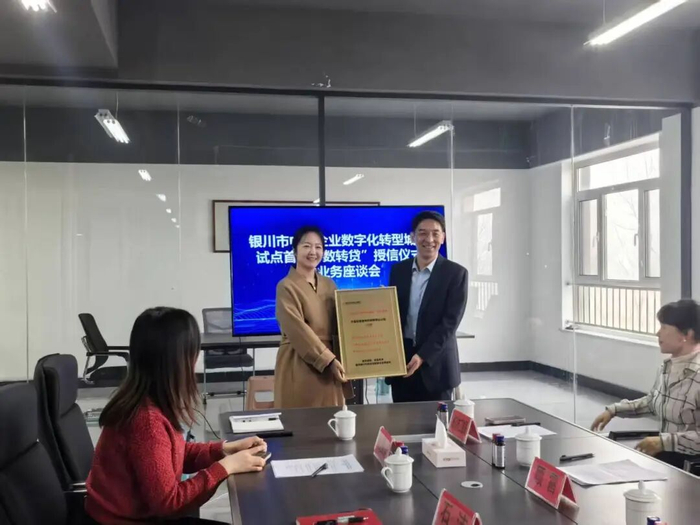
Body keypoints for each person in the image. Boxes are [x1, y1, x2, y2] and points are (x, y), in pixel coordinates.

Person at [86, 307, 267, 525]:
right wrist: (226, 467)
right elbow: (169, 504)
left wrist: (223, 450)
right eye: (192, 354)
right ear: (177, 361)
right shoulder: (147, 421)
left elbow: (173, 453)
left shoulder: (145, 401)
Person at [591, 299, 700, 468]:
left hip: (690, 467)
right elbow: (653, 402)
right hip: (668, 458)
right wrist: (615, 410)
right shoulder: (667, 367)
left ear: (687, 335)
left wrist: (663, 442)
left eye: (664, 327)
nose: (658, 333)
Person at [387, 211, 469, 402]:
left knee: (437, 420)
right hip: (402, 362)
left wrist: (422, 355)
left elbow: (450, 323)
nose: (429, 239)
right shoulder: (398, 270)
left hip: (437, 365)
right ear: (413, 237)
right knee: (401, 418)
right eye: (422, 233)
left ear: (443, 237)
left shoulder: (456, 274)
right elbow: (393, 314)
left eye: (435, 233)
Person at [274, 225, 352, 408]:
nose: (313, 252)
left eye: (318, 247)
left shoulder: (329, 284)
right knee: (300, 418)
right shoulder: (286, 286)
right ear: (295, 251)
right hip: (300, 361)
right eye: (306, 246)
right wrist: (327, 360)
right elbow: (297, 331)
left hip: (332, 362)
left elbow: (343, 322)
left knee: (330, 417)